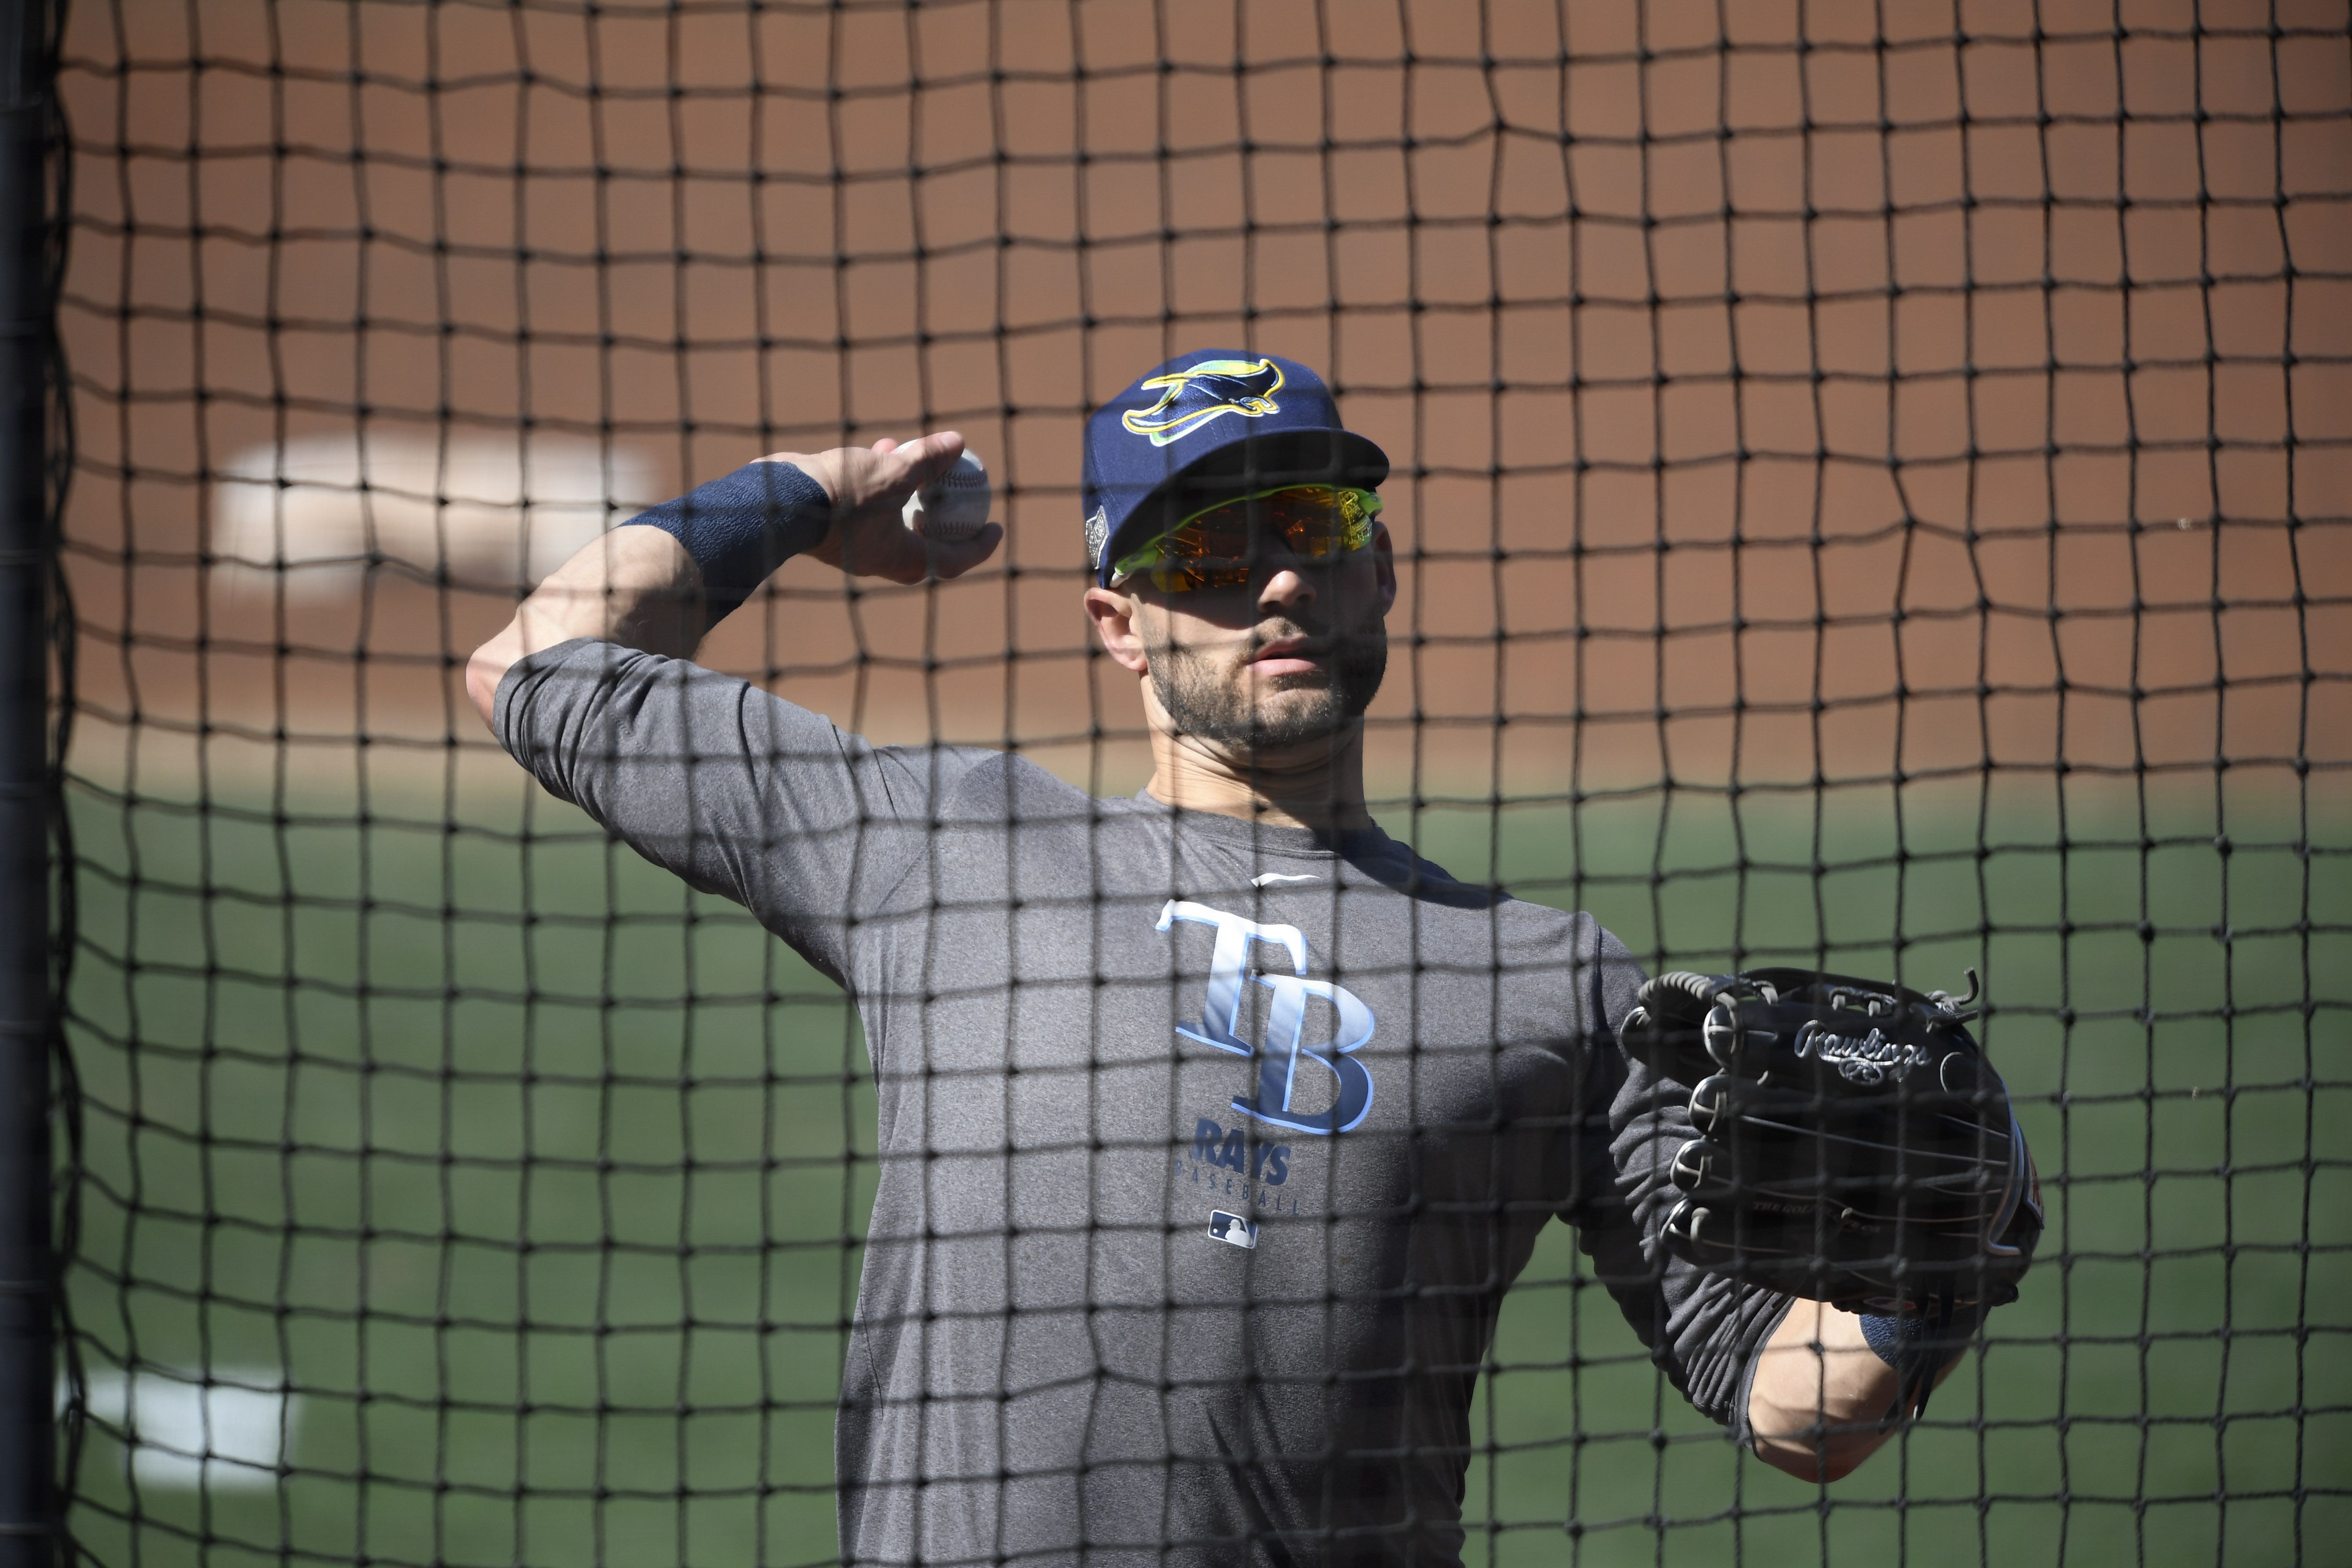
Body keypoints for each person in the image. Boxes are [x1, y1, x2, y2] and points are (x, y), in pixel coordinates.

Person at [466, 351, 1946, 1567]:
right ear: (1120, 622)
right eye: (1210, 556)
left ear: (1381, 577)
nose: (1277, 586)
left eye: (1313, 532)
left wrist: (1935, 1258)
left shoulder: (1551, 979)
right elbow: (536, 666)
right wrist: (818, 494)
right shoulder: (938, 841)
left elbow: (1796, 1410)